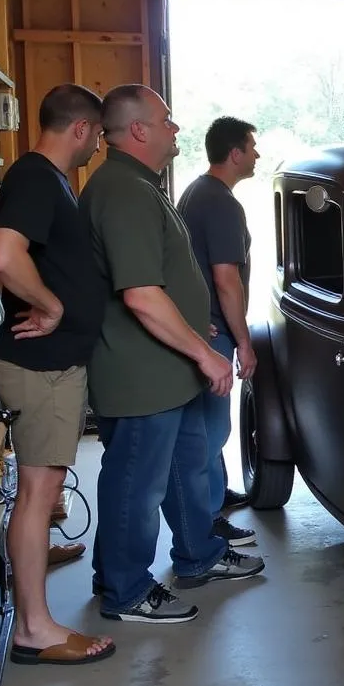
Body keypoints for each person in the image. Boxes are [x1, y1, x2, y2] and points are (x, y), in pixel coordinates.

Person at [80, 84, 265, 624]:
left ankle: (198, 555)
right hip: (142, 375)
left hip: (168, 367)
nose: (176, 129)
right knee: (136, 485)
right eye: (167, 120)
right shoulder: (123, 191)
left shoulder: (143, 185)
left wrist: (192, 324)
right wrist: (208, 355)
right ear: (138, 129)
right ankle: (125, 589)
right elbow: (139, 294)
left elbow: (160, 278)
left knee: (184, 467)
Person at [0, 84, 114, 665]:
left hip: (51, 365)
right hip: (42, 365)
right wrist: (55, 305)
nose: (98, 146)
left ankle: (32, 577)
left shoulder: (47, 178)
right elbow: (2, 255)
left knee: (41, 494)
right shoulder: (38, 176)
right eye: (99, 135)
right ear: (82, 129)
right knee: (39, 494)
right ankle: (35, 629)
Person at [177, 117, 259, 544]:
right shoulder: (223, 204)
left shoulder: (196, 191)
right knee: (211, 431)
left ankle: (214, 496)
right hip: (214, 330)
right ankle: (207, 521)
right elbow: (226, 278)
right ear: (235, 154)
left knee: (207, 428)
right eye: (252, 147)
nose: (257, 155)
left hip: (200, 323)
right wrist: (244, 342)